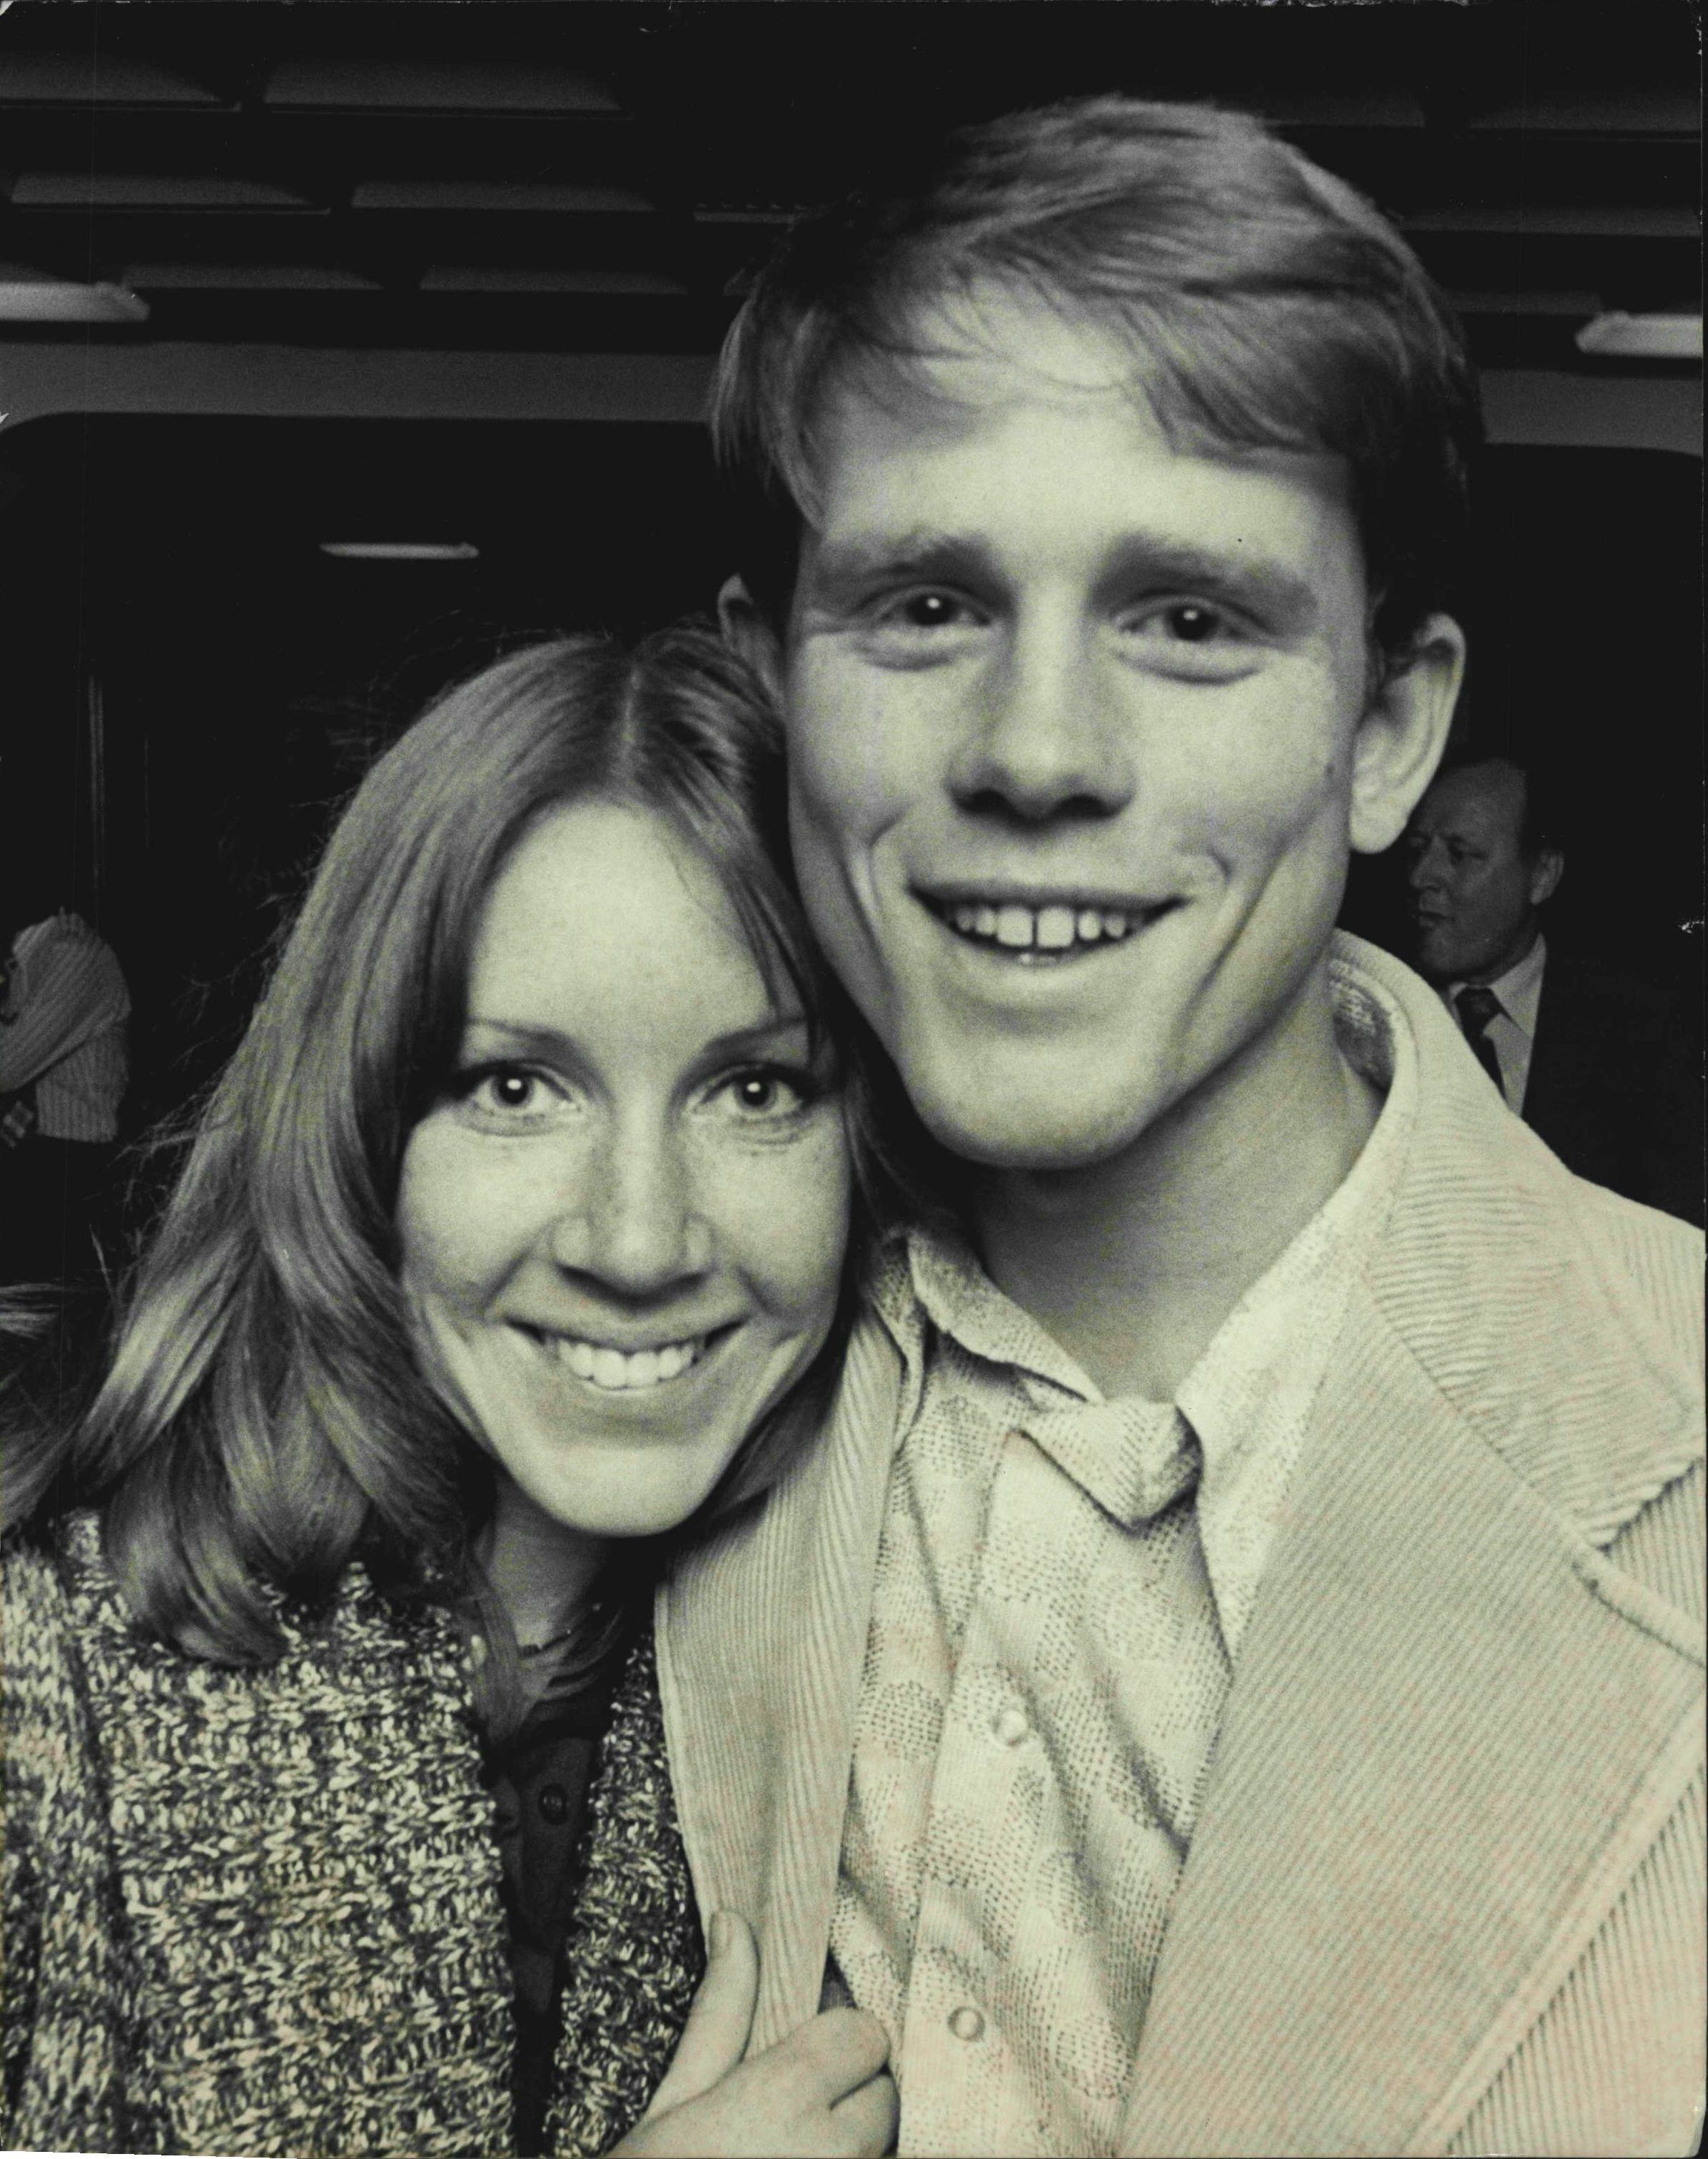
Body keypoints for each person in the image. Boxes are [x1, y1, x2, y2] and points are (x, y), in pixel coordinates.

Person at [652, 96, 1706, 2157]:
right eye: (928, 606)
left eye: (1193, 619)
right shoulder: (633, 1365)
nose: (1039, 752)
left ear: (1391, 732)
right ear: (774, 688)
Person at [1, 628, 898, 2159]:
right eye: (513, 1087)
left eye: (754, 1089)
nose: (634, 1240)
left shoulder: (904, 1659)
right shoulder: (45, 1685)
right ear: (364, 1138)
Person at [1403, 753, 1703, 1221]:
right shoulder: (1372, 1008)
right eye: (1418, 848)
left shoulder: (1646, 1033)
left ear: (1541, 875)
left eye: (1459, 855)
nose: (1421, 876)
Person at [0, 896, 131, 1286]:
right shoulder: (24, 950)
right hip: (29, 1149)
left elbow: (5, 1066)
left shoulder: (77, 955)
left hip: (70, 1165)